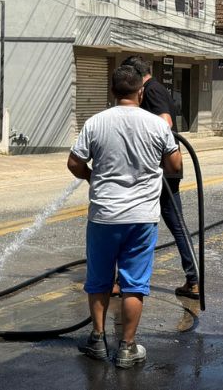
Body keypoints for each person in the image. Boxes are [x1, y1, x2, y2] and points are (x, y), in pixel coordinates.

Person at [68, 65, 182, 367]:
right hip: (142, 217)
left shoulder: (96, 123)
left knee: (99, 280)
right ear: (140, 92)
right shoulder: (157, 125)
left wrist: (92, 176)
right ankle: (127, 348)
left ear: (112, 91)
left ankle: (97, 339)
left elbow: (74, 163)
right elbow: (175, 166)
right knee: (134, 284)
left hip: (105, 214)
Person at [121, 55, 199, 299]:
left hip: (160, 170)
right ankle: (193, 279)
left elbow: (164, 123)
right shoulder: (157, 88)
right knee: (171, 223)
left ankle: (123, 280)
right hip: (165, 168)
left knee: (133, 221)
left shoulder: (151, 90)